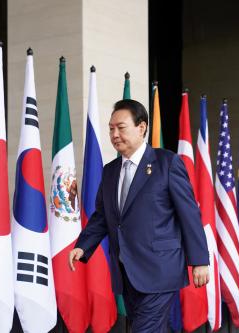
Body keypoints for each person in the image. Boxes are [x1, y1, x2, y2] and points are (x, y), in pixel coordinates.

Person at [68, 99, 209, 332]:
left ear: (141, 127)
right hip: (127, 271)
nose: (114, 134)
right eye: (111, 128)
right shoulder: (110, 171)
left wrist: (200, 260)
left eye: (121, 128)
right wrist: (83, 246)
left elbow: (189, 214)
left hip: (161, 269)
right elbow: (104, 215)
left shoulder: (167, 163)